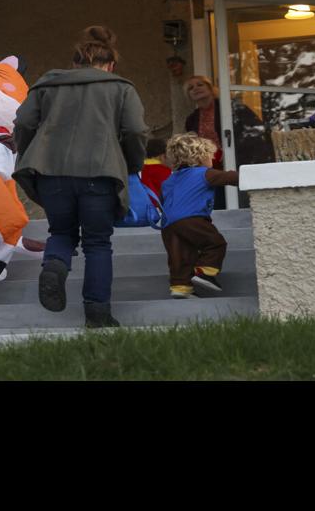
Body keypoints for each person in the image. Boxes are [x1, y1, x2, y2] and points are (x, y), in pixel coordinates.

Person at [12, 26, 148, 328]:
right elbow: (136, 130)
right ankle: (97, 314)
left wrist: (29, 152)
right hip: (100, 174)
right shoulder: (121, 88)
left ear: (74, 63)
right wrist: (131, 165)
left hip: (51, 173)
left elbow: (23, 121)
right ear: (110, 65)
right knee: (98, 243)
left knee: (61, 233)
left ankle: (54, 267)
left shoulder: (48, 85)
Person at [157, 134, 237, 299]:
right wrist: (252, 177)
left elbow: (164, 199)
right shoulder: (205, 173)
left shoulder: (169, 180)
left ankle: (181, 287)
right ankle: (205, 273)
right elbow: (230, 177)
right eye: (211, 156)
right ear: (201, 157)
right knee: (215, 243)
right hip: (192, 219)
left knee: (180, 257)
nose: (212, 160)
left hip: (168, 226)